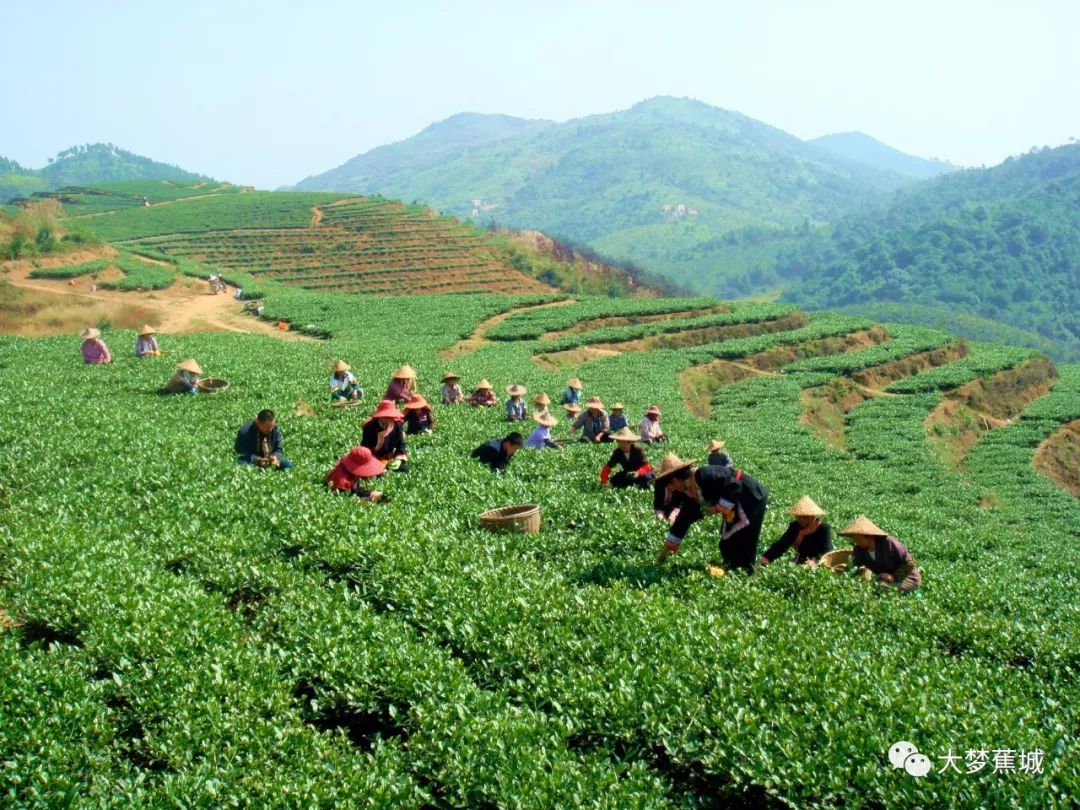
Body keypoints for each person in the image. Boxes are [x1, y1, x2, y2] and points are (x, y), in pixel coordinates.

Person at [653, 455, 769, 574]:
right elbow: (682, 521)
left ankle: (747, 574)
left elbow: (735, 485)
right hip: (736, 503)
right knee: (727, 546)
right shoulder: (689, 492)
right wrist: (663, 555)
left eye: (670, 485)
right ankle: (733, 570)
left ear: (676, 480)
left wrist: (715, 508)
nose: (670, 489)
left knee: (743, 541)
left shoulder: (703, 475)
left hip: (751, 496)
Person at [842, 515, 922, 593]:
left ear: (869, 536)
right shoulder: (858, 549)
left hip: (907, 578)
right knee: (873, 586)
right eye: (854, 538)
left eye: (858, 538)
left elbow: (910, 564)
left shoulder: (889, 543)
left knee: (882, 588)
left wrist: (893, 577)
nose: (855, 541)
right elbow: (854, 567)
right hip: (883, 579)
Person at [759, 496, 832, 567]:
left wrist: (815, 561)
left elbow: (827, 550)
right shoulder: (795, 526)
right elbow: (782, 544)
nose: (800, 520)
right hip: (801, 560)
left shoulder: (823, 528)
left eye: (804, 517)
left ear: (812, 517)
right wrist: (767, 557)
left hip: (820, 562)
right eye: (798, 516)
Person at [361, 399, 409, 471]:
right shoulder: (370, 427)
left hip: (388, 456)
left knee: (405, 469)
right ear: (380, 416)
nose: (389, 419)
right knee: (377, 472)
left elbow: (401, 443)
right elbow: (365, 448)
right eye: (386, 416)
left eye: (390, 416)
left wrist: (399, 459)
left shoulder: (397, 424)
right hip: (373, 457)